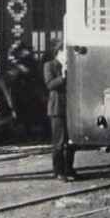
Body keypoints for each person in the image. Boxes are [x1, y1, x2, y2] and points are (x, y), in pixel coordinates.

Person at [43, 42, 77, 181]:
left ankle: (69, 168)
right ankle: (58, 171)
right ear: (58, 53)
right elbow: (50, 84)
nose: (67, 56)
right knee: (59, 141)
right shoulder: (49, 66)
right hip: (56, 109)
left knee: (71, 141)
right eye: (64, 53)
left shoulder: (73, 66)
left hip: (71, 109)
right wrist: (63, 76)